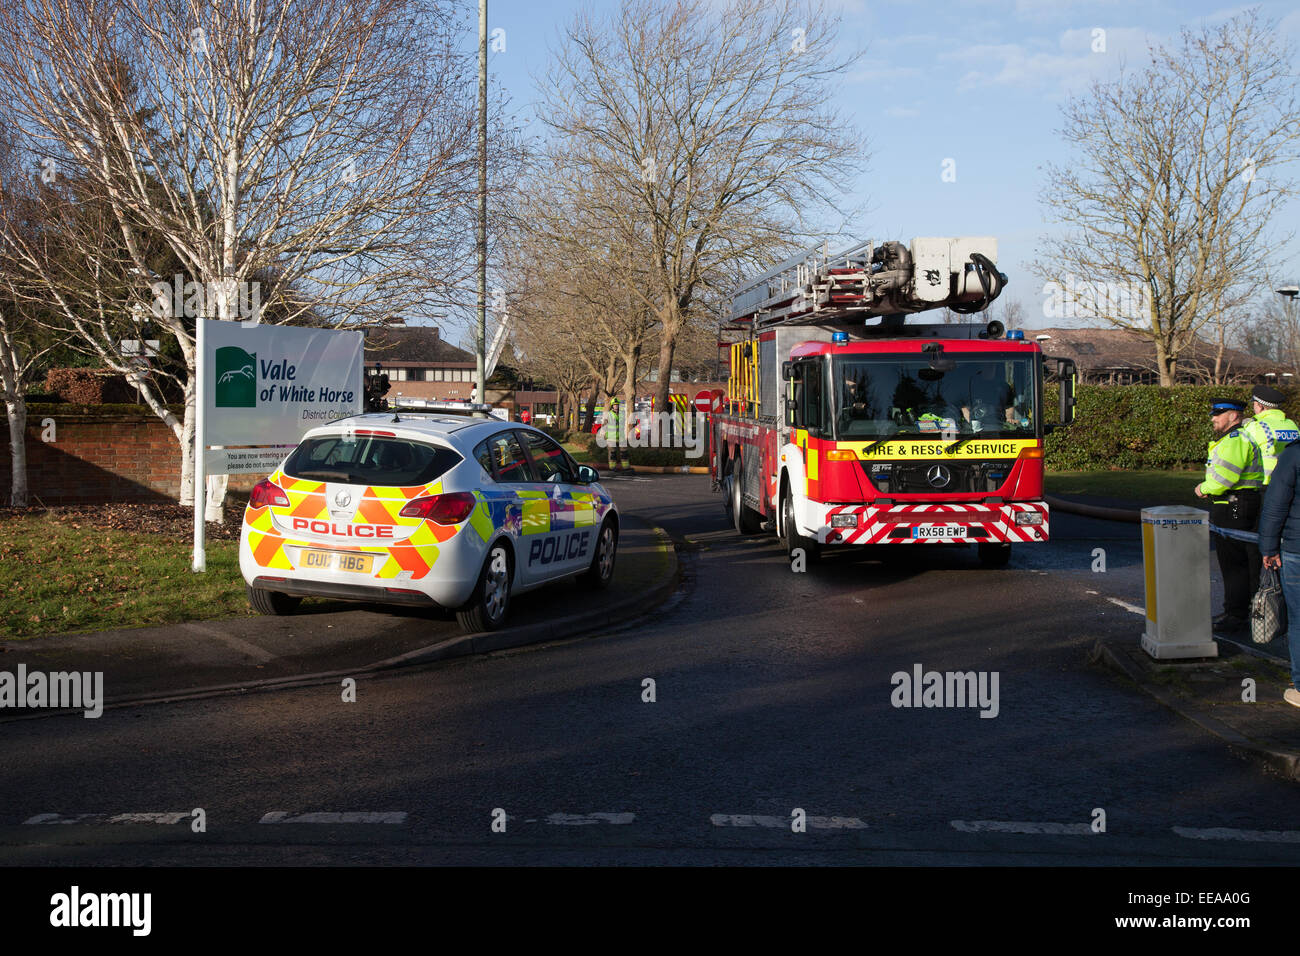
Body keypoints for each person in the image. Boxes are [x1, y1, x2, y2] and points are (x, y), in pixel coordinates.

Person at [1195, 398, 1265, 634]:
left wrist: (1203, 488)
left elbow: (1224, 479)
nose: (1213, 418)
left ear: (1233, 416)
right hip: (1237, 503)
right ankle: (1237, 611)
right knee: (1238, 561)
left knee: (1233, 562)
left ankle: (1236, 615)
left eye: (1219, 414)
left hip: (1234, 504)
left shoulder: (1235, 441)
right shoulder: (1233, 439)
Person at [1258, 439, 1300, 707]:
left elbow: (1276, 504)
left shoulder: (1293, 455)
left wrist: (1269, 547)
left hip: (1297, 548)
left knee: (1299, 618)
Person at [1242, 384, 1299, 485]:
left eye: (1254, 404)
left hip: (1266, 482)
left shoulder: (1256, 426)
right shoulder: (1292, 424)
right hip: (1293, 479)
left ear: (1260, 406)